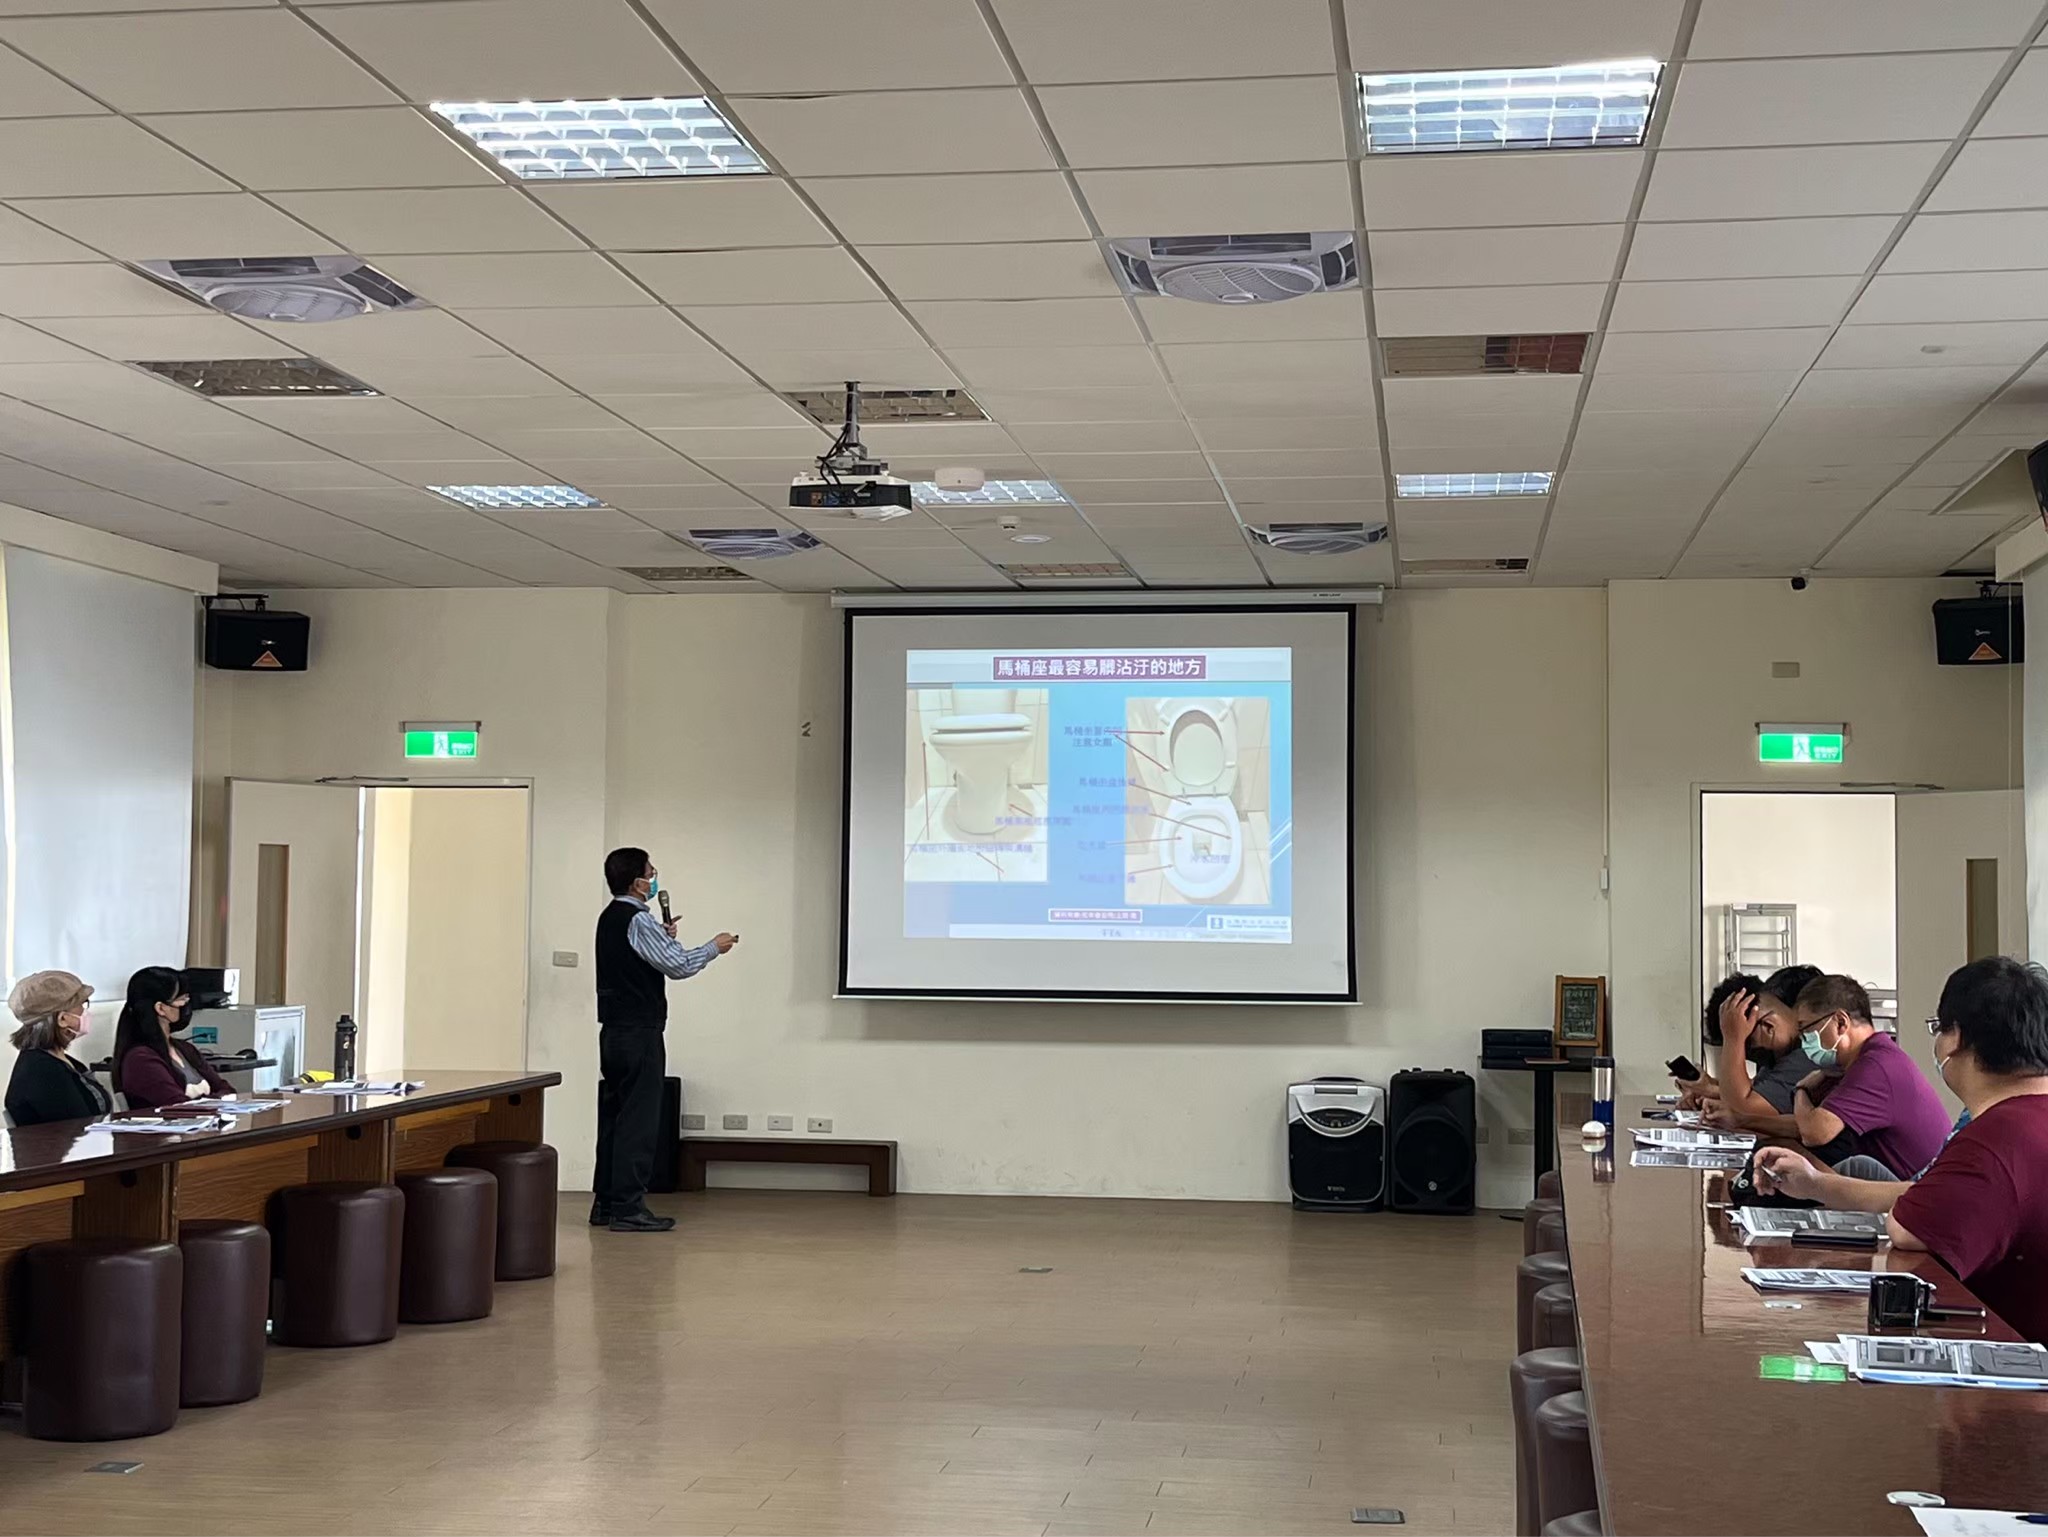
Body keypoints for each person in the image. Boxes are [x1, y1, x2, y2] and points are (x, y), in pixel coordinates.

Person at [1752, 957, 2048, 1344]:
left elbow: (1907, 1229)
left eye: (1938, 1029)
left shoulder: (1996, 1136)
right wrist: (1814, 1183)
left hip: (2017, 1356)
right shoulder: (2021, 1119)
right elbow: (1931, 1194)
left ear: (1956, 1038)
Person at [592, 847, 736, 1234]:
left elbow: (640, 956)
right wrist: (714, 947)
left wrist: (663, 936)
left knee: (614, 1118)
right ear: (637, 883)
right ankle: (629, 1208)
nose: (655, 880)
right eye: (651, 874)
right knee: (638, 1121)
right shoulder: (638, 920)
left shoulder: (611, 917)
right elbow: (679, 965)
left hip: (614, 1032)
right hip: (639, 1033)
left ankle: (606, 1204)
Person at [1785, 973, 1950, 1177]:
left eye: (1806, 1030)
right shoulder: (1870, 1057)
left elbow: (1814, 1132)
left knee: (1843, 1170)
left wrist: (1801, 1090)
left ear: (1840, 1022)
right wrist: (1752, 1121)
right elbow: (1804, 1124)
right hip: (1909, 1180)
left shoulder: (1875, 1066)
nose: (1804, 1040)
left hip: (1916, 1187)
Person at [1685, 965, 1825, 1136]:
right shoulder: (1781, 1054)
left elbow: (1741, 1109)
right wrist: (1712, 1090)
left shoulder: (1806, 1055)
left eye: (1748, 1044)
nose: (1749, 1055)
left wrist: (1733, 1038)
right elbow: (1757, 1091)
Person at [113, 966, 231, 1110]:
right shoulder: (140, 1059)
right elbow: (178, 1105)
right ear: (161, 1008)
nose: (186, 1003)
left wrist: (214, 1101)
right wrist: (215, 1101)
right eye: (181, 999)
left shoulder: (186, 1049)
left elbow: (227, 1091)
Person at [4, 970, 113, 1126]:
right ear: (62, 1019)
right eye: (82, 1005)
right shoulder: (42, 1071)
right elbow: (77, 1128)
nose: (86, 1012)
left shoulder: (58, 1060)